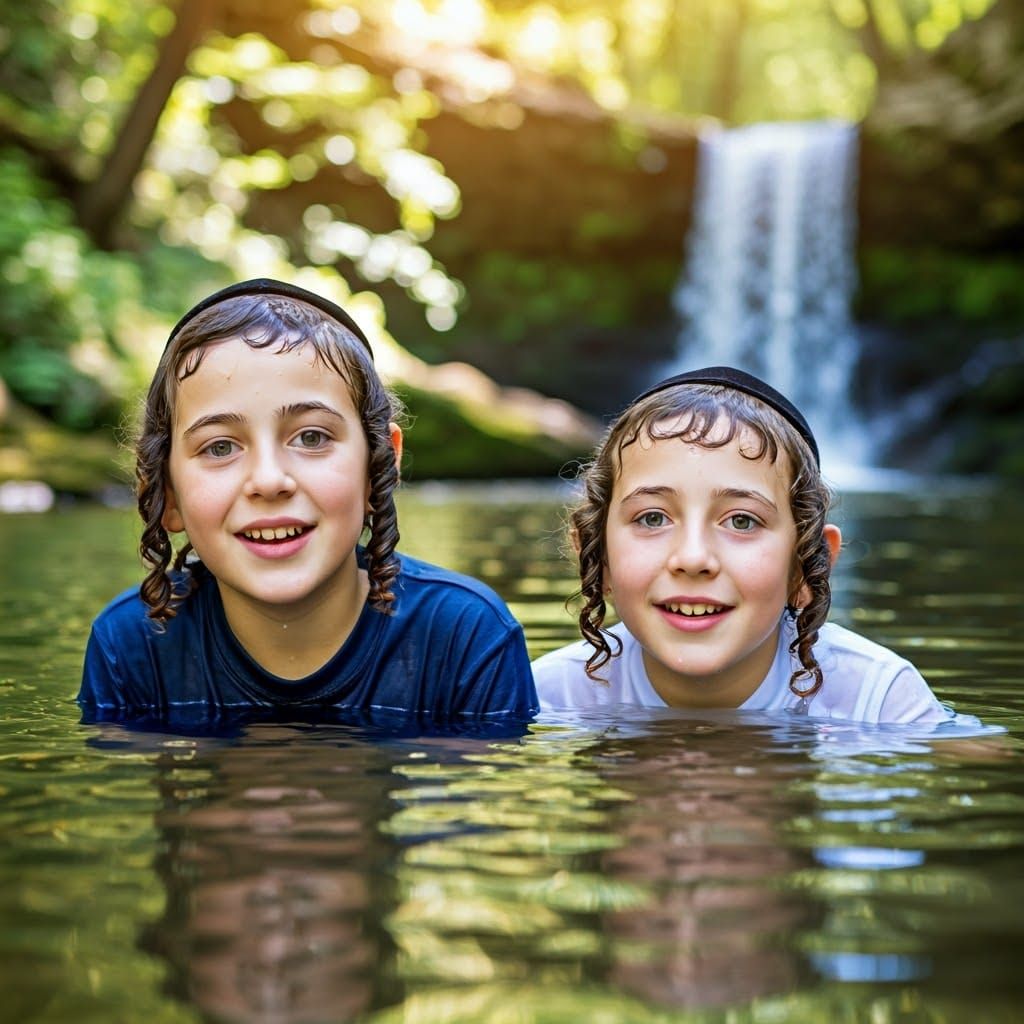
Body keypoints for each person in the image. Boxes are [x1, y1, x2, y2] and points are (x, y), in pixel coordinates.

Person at [78, 278, 537, 726]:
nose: (269, 480)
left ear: (379, 467)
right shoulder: (131, 646)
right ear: (165, 492)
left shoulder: (465, 636)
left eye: (312, 437)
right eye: (220, 447)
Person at [532, 366, 954, 724]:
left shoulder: (879, 702)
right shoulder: (548, 699)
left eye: (741, 521)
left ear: (808, 563)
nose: (693, 558)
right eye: (653, 518)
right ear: (595, 552)